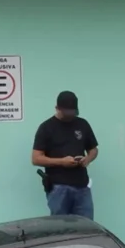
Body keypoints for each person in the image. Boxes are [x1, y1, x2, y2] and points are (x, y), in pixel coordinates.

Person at [32, 91, 99, 219]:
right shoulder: (46, 128)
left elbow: (94, 150)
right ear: (57, 108)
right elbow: (36, 158)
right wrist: (62, 162)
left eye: (72, 112)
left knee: (87, 228)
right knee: (60, 229)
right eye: (66, 112)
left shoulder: (82, 124)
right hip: (58, 188)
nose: (70, 116)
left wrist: (88, 159)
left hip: (82, 187)